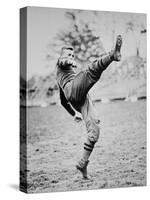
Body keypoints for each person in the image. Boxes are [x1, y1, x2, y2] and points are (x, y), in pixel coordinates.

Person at [56, 35, 122, 179]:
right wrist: (68, 60)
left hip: (79, 98)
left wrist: (74, 114)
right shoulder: (60, 65)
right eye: (68, 54)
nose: (71, 57)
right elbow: (63, 61)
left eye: (73, 55)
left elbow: (63, 101)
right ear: (61, 56)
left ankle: (82, 163)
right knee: (90, 71)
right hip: (73, 91)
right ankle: (112, 55)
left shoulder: (66, 76)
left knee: (95, 129)